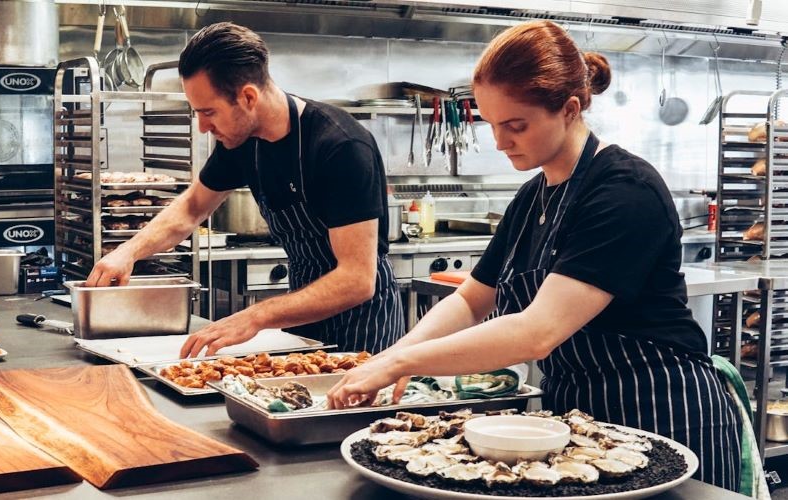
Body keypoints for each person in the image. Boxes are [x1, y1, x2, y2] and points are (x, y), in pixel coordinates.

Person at [327, 20, 741, 490]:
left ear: (568, 109)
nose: (501, 142)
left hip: (663, 410)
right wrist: (393, 355)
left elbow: (536, 332)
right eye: (492, 125)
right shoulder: (532, 197)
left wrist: (404, 364)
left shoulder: (625, 191)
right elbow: (470, 301)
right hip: (578, 422)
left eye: (515, 125)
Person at [86, 22, 405, 357]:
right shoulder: (242, 143)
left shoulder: (340, 146)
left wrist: (256, 316)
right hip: (302, 313)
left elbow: (356, 280)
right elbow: (192, 208)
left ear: (248, 97)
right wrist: (127, 253)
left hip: (364, 326)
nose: (203, 127)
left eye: (209, 112)